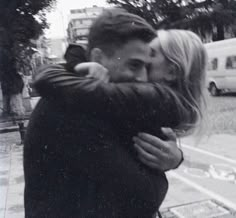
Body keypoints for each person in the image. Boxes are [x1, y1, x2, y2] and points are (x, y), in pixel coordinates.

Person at [24, 9, 186, 218]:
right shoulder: (68, 109)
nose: (143, 78)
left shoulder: (102, 104)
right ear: (98, 58)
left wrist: (175, 157)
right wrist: (164, 167)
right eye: (134, 65)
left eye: (146, 67)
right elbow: (145, 195)